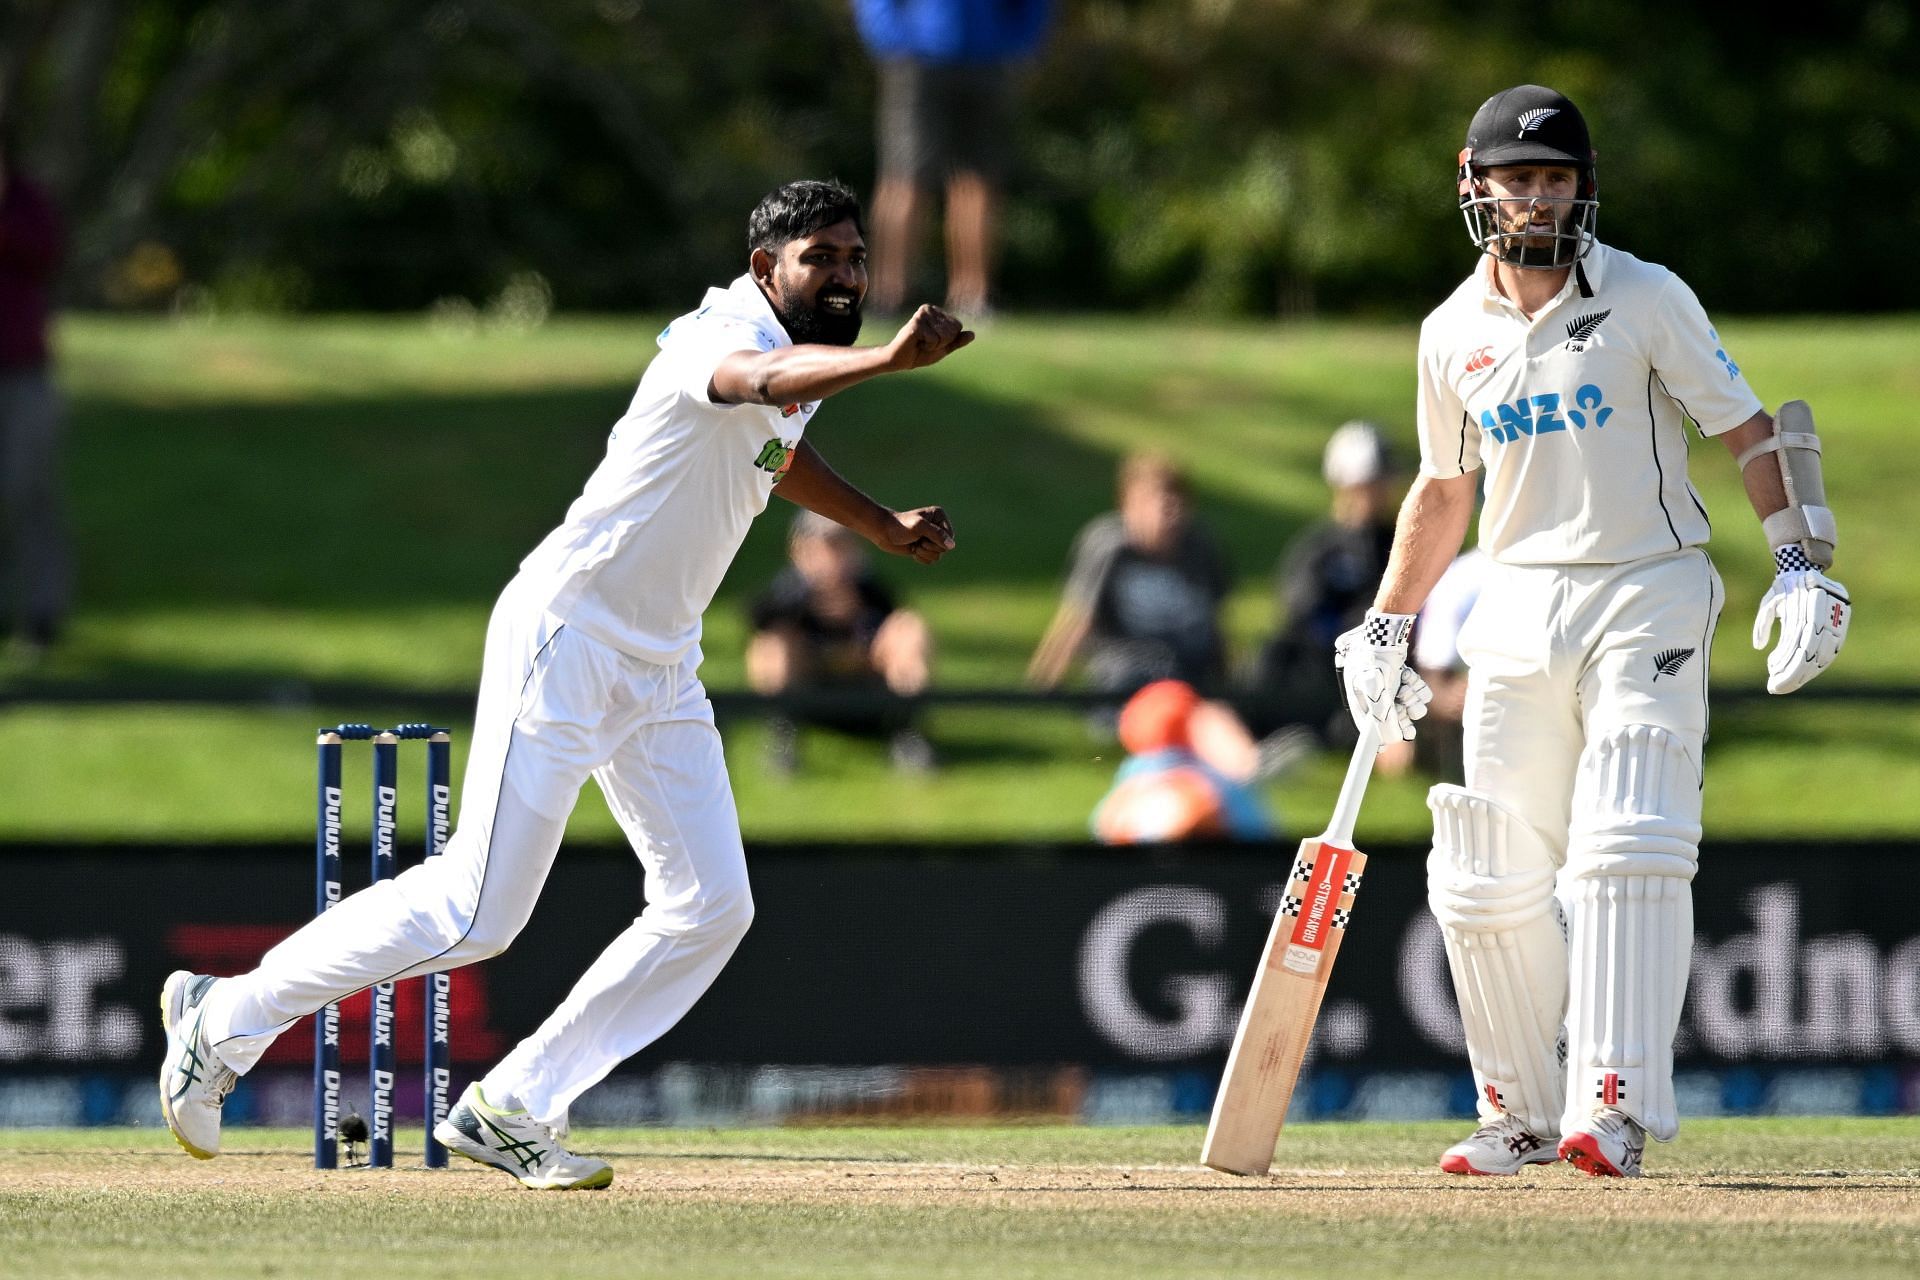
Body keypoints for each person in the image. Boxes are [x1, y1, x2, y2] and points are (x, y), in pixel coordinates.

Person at [157, 180, 973, 1189]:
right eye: (823, 259)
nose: (846, 274)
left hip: (662, 665)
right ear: (769, 269)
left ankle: (516, 1101)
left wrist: (882, 524)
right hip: (571, 635)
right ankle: (223, 1017)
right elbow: (758, 384)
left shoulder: (794, 365)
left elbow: (777, 451)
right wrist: (890, 360)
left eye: (855, 257)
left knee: (711, 905)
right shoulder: (720, 335)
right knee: (476, 909)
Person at [1334, 86, 1850, 1179]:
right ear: (1474, 184)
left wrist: (1802, 559)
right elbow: (1441, 485)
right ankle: (1512, 1110)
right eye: (1517, 179)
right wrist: (1386, 622)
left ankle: (1611, 1107)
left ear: (1584, 184)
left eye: (1556, 178)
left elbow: (1749, 430)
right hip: (1516, 601)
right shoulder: (1449, 333)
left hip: (1646, 588)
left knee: (1627, 839)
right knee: (1484, 862)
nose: (1537, 198)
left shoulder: (1648, 296)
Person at [853, 0, 1054, 316]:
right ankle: (888, 296)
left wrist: (1021, 43)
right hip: (918, 58)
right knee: (905, 178)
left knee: (979, 182)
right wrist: (891, 39)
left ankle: (973, 298)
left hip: (987, 59)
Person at [1027, 450, 1233, 705]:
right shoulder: (1111, 548)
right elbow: (1078, 616)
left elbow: (1215, 621)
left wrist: (1229, 684)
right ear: (1131, 507)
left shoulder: (1200, 547)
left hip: (1188, 665)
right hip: (1129, 667)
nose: (1173, 517)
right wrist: (1046, 679)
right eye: (1164, 506)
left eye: (1181, 505)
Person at [746, 508, 938, 773]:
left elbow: (891, 618)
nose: (833, 557)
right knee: (773, 643)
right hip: (811, 691)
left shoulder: (868, 590)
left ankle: (906, 732)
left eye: (842, 545)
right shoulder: (787, 595)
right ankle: (783, 737)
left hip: (867, 688)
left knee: (909, 629)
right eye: (826, 546)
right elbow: (758, 619)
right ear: (800, 550)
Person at [1249, 421, 1402, 751]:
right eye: (1368, 483)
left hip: (1386, 665)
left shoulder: (1400, 545)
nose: (1377, 491)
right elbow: (1298, 616)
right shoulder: (1319, 549)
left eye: (1380, 481)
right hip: (1325, 666)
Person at [0, 134, 69, 661]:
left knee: (26, 489)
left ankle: (42, 616)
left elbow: (46, 252)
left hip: (22, 371)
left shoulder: (26, 200)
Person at [1090, 678, 1276, 844]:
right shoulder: (1220, 780)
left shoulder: (1131, 776)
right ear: (1195, 726)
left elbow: (1103, 825)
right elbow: (1260, 832)